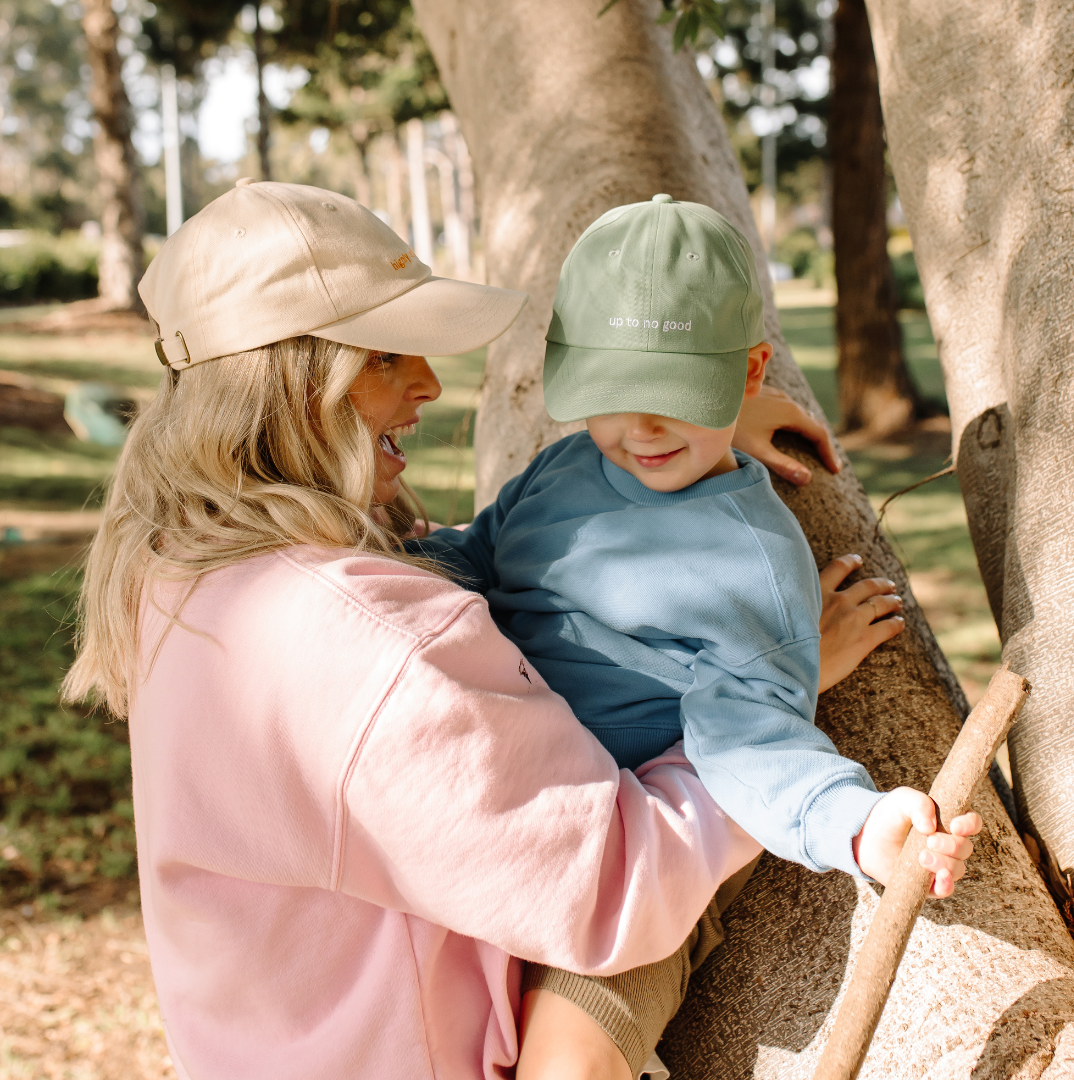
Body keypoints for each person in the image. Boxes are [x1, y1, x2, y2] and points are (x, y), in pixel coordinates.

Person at [61, 181, 980, 1080]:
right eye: (387, 357)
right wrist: (775, 687)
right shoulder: (381, 648)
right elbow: (617, 886)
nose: (428, 380)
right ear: (293, 387)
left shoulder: (177, 570)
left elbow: (451, 558)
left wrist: (699, 417)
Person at [407, 196, 981, 1080]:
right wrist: (389, 565)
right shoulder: (564, 468)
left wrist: (861, 824)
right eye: (612, 395)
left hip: (633, 848)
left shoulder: (747, 560)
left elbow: (754, 735)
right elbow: (481, 555)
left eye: (672, 398)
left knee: (570, 1056)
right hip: (506, 808)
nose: (640, 429)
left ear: (751, 375)